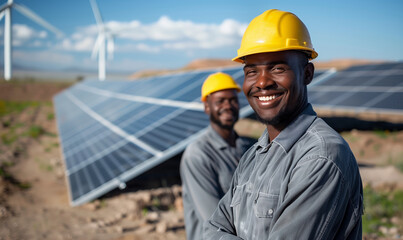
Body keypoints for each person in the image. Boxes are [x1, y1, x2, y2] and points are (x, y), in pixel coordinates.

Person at [204, 9, 363, 239]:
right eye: (251, 71)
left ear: (307, 73)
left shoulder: (321, 157)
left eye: (278, 68)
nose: (262, 82)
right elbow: (211, 230)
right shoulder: (254, 155)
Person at [180, 72, 255, 240]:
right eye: (220, 101)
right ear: (207, 107)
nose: (228, 106)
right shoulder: (198, 155)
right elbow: (213, 220)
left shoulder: (250, 148)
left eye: (232, 100)